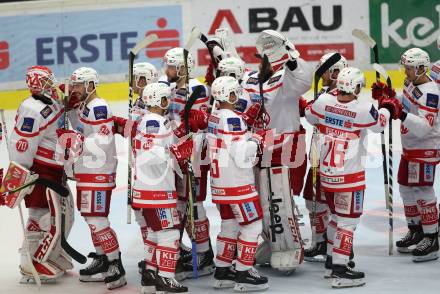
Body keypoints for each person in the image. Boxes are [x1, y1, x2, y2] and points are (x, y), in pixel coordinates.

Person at [306, 66, 402, 288]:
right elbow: (380, 124)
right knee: (347, 224)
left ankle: (332, 261)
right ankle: (340, 270)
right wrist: (387, 102)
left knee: (335, 219)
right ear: (357, 87)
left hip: (327, 177)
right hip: (349, 179)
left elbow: (311, 117)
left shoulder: (323, 102)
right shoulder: (362, 108)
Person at [242, 29, 313, 274]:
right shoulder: (250, 79)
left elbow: (304, 80)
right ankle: (272, 242)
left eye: (274, 55)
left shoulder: (287, 78)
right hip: (259, 146)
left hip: (287, 146)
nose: (269, 59)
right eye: (265, 55)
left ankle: (289, 245)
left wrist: (291, 57)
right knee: (262, 200)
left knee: (281, 198)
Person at [7, 66, 76, 283]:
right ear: (36, 83)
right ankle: (30, 260)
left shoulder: (50, 100)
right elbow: (21, 144)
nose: (51, 86)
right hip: (40, 170)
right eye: (47, 82)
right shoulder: (31, 108)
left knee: (57, 213)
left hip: (54, 169)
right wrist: (20, 176)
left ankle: (48, 253)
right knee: (39, 214)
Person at [59, 67, 126, 289]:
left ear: (90, 85)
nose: (75, 89)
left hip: (99, 172)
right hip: (87, 172)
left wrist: (73, 141)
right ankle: (102, 258)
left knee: (98, 220)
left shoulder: (99, 107)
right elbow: (80, 127)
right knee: (90, 218)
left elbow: (100, 143)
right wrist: (69, 110)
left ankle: (116, 263)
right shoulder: (85, 106)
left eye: (78, 85)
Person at [373, 48, 440, 262]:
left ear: (421, 68)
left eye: (409, 68)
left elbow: (423, 128)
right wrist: (390, 96)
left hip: (425, 147)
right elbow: (407, 100)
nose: (405, 71)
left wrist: (399, 113)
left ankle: (432, 237)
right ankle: (416, 229)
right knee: (405, 186)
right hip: (410, 146)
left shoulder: (431, 91)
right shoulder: (412, 82)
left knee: (422, 189)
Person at [208, 76, 268, 292]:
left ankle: (223, 270)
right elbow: (242, 155)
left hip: (220, 185)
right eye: (236, 92)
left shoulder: (215, 115)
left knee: (229, 225)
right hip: (238, 185)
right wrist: (256, 139)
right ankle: (243, 272)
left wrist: (245, 126)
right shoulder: (233, 120)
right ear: (230, 95)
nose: (239, 95)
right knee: (252, 225)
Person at [131, 82, 192, 293]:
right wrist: (177, 152)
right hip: (155, 190)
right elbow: (149, 155)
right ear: (158, 100)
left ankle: (150, 276)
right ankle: (166, 278)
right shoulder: (153, 122)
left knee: (155, 234)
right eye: (166, 98)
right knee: (169, 235)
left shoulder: (152, 120)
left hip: (149, 189)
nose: (169, 102)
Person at [162, 47, 214, 280]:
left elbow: (201, 123)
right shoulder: (173, 87)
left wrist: (187, 129)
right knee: (181, 205)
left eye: (171, 66)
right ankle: (188, 249)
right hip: (177, 154)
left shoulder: (197, 89)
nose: (167, 70)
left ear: (182, 68)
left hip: (195, 153)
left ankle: (204, 255)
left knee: (195, 205)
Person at [302, 53, 348, 262]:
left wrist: (315, 108)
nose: (321, 74)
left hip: (335, 161)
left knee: (334, 206)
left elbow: (315, 117)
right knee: (313, 200)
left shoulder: (341, 96)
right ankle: (320, 241)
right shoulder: (324, 92)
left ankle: (334, 248)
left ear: (335, 72)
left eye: (324, 70)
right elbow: (312, 119)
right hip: (319, 156)